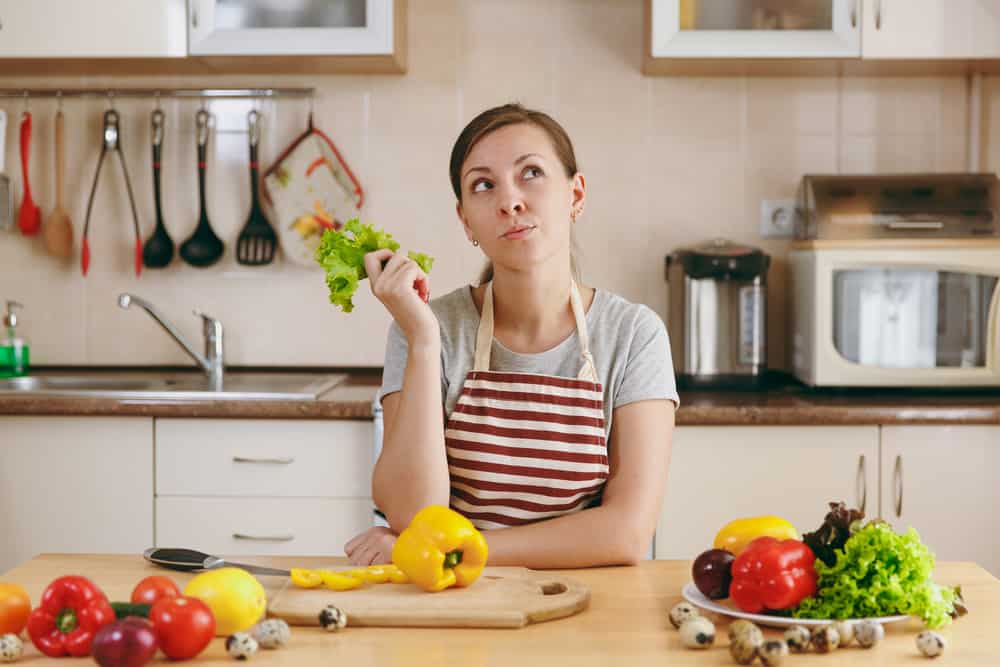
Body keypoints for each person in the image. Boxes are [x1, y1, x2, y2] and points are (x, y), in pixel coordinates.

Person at [345, 103, 678, 569]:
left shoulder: (633, 335)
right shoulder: (424, 329)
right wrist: (422, 338)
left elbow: (625, 533)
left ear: (575, 195)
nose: (509, 201)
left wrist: (461, 551)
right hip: (454, 601)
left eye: (532, 173)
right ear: (466, 221)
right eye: (484, 185)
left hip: (585, 606)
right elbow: (413, 514)